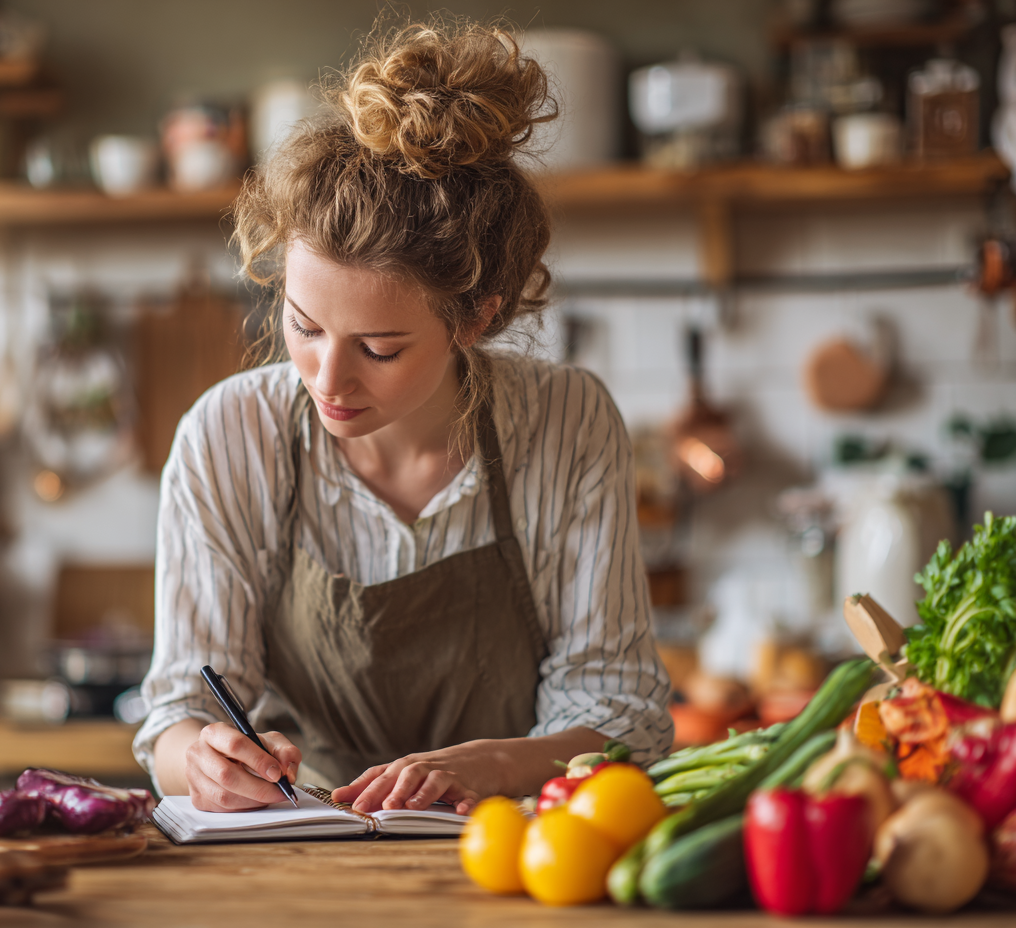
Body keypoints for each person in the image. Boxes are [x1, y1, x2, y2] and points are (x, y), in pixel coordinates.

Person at [134, 19, 672, 816]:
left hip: (512, 854)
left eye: (380, 349)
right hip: (289, 859)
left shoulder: (566, 420)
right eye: (304, 326)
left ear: (475, 318)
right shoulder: (228, 436)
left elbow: (624, 719)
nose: (327, 377)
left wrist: (493, 764)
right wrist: (202, 759)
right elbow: (179, 716)